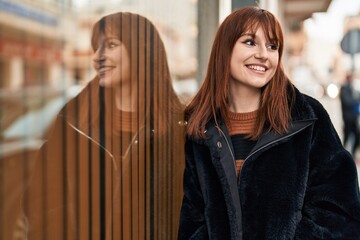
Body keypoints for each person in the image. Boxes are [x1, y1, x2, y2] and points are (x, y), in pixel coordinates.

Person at [178, 6, 360, 240]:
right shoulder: (200, 126)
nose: (264, 54)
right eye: (250, 42)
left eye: (272, 46)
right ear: (225, 49)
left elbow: (341, 213)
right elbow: (192, 218)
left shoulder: (306, 117)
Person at [23, 12, 185, 240]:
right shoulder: (71, 125)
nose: (98, 57)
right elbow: (39, 208)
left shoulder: (180, 131)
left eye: (110, 45)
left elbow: (193, 216)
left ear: (142, 51)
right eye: (95, 48)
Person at [340, 72, 360, 156]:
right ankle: (343, 154)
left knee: (357, 136)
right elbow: (348, 102)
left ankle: (352, 154)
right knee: (347, 137)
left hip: (353, 118)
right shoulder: (344, 89)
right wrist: (356, 100)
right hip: (347, 119)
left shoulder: (352, 89)